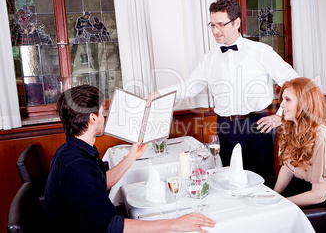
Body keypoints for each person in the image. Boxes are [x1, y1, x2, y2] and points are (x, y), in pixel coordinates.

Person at [147, 0, 298, 178]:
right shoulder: (209, 58)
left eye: (220, 24)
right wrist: (159, 94)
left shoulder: (261, 52)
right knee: (228, 181)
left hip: (257, 126)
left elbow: (294, 84)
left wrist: (280, 116)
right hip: (224, 128)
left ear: (236, 23)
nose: (215, 31)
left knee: (261, 182)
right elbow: (189, 87)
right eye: (211, 25)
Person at [44, 85, 216, 233]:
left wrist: (131, 156)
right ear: (93, 118)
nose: (104, 118)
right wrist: (175, 224)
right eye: (102, 113)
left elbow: (101, 182)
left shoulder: (72, 150)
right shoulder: (77, 166)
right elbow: (111, 226)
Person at [273, 77, 326, 207]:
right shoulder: (291, 127)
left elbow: (319, 196)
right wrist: (274, 195)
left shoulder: (323, 137)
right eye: (282, 99)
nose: (282, 105)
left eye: (288, 100)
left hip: (321, 205)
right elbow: (288, 167)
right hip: (299, 191)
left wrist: (279, 204)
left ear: (304, 103)